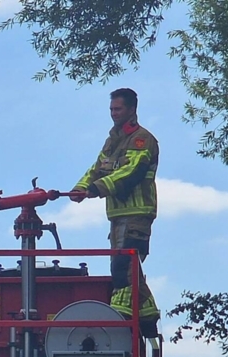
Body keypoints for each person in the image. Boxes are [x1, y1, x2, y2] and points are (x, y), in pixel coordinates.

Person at [71, 88, 161, 337]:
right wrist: (80, 188)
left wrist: (97, 189)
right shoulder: (112, 141)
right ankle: (147, 318)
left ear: (132, 109)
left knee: (124, 267)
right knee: (128, 269)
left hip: (137, 213)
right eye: (111, 109)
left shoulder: (143, 140)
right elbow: (96, 168)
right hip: (117, 215)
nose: (113, 114)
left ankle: (121, 317)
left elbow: (130, 172)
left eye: (118, 109)